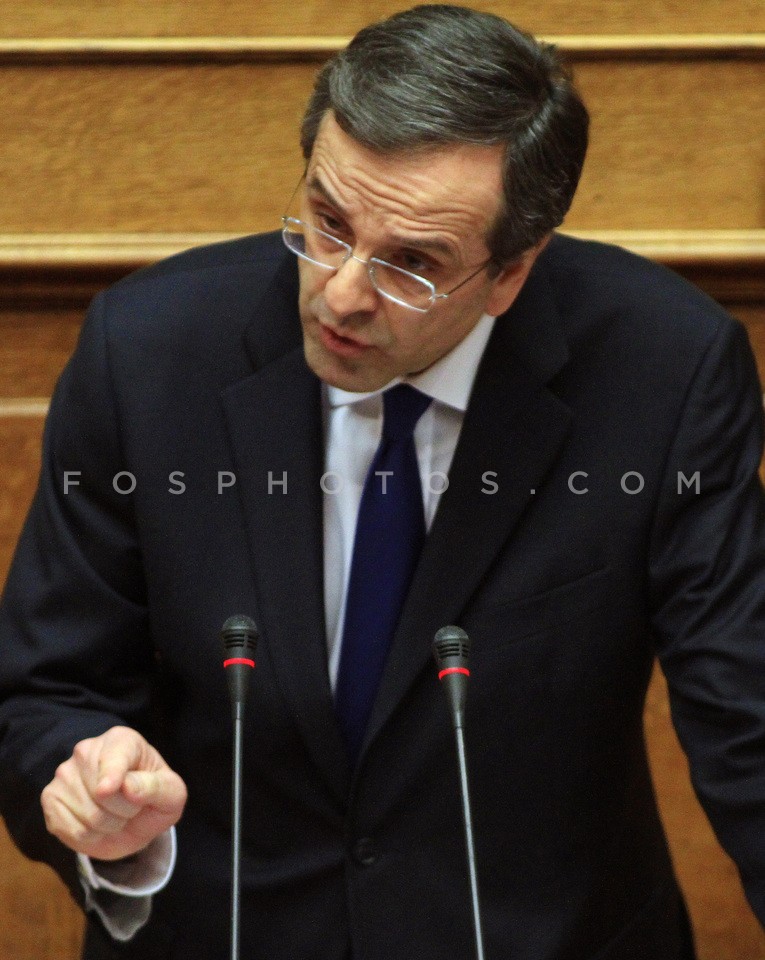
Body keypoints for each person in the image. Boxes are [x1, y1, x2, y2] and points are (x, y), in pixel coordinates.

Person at [1, 5, 764, 959]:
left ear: (511, 272)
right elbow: (47, 689)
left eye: (412, 265)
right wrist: (92, 792)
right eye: (327, 224)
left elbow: (746, 714)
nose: (342, 293)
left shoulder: (667, 373)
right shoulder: (147, 353)